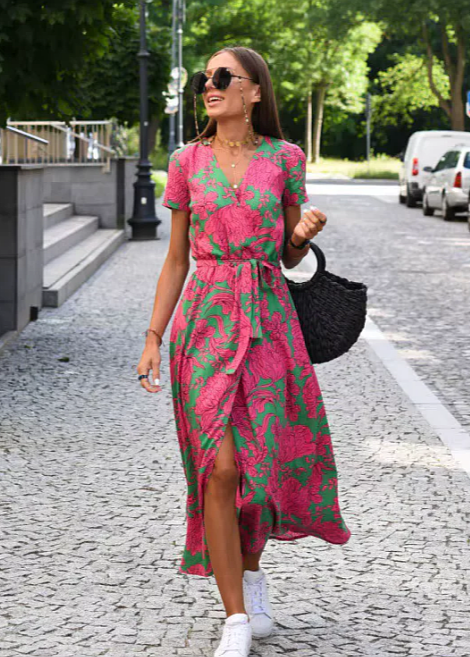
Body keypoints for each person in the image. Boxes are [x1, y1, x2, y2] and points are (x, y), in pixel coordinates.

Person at [137, 45, 351, 657]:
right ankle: (234, 615)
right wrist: (153, 337)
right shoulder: (185, 161)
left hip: (268, 324)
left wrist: (301, 236)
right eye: (204, 77)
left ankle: (252, 575)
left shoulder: (286, 158)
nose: (211, 84)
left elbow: (287, 254)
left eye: (223, 75)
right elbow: (176, 258)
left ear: (255, 90)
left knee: (258, 472)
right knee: (220, 467)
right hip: (204, 323)